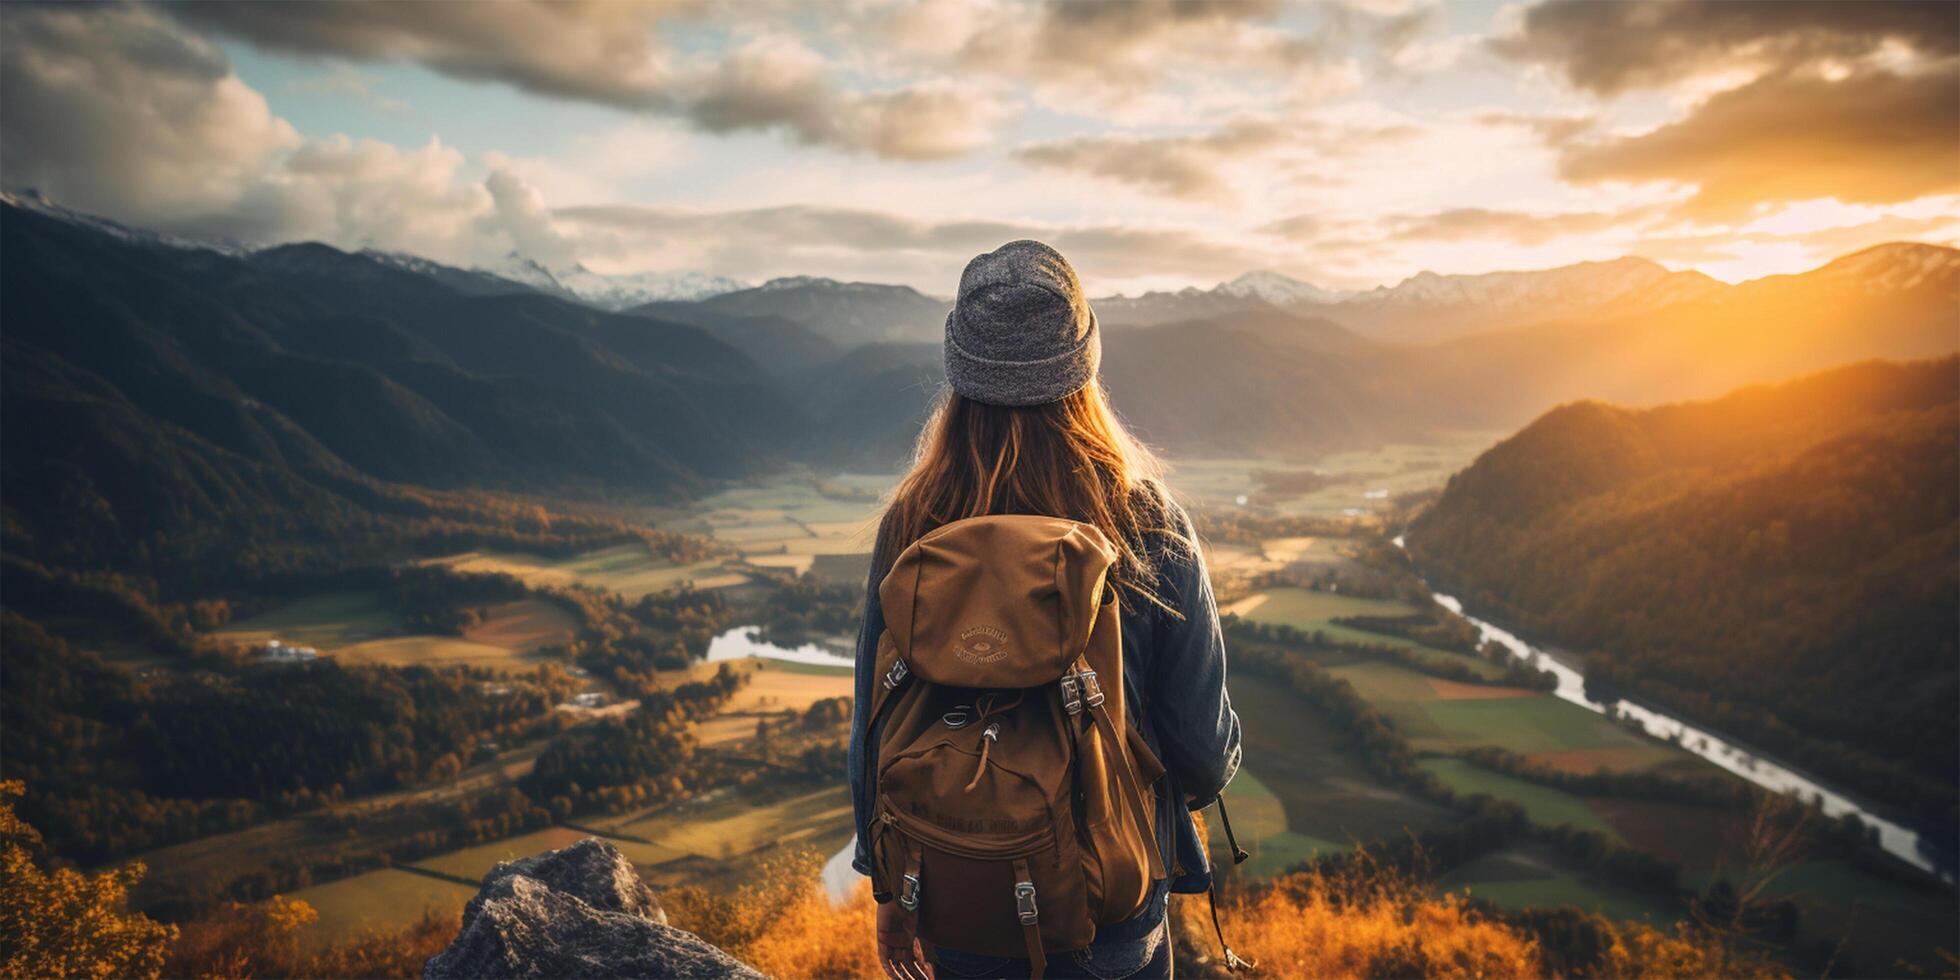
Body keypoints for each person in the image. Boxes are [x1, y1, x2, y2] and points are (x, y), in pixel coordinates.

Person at [847, 240, 1243, 980]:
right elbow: (1201, 752)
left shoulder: (911, 527)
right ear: (1085, 372)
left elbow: (874, 726)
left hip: (954, 889)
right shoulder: (1145, 520)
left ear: (958, 378)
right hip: (1110, 910)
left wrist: (889, 883)